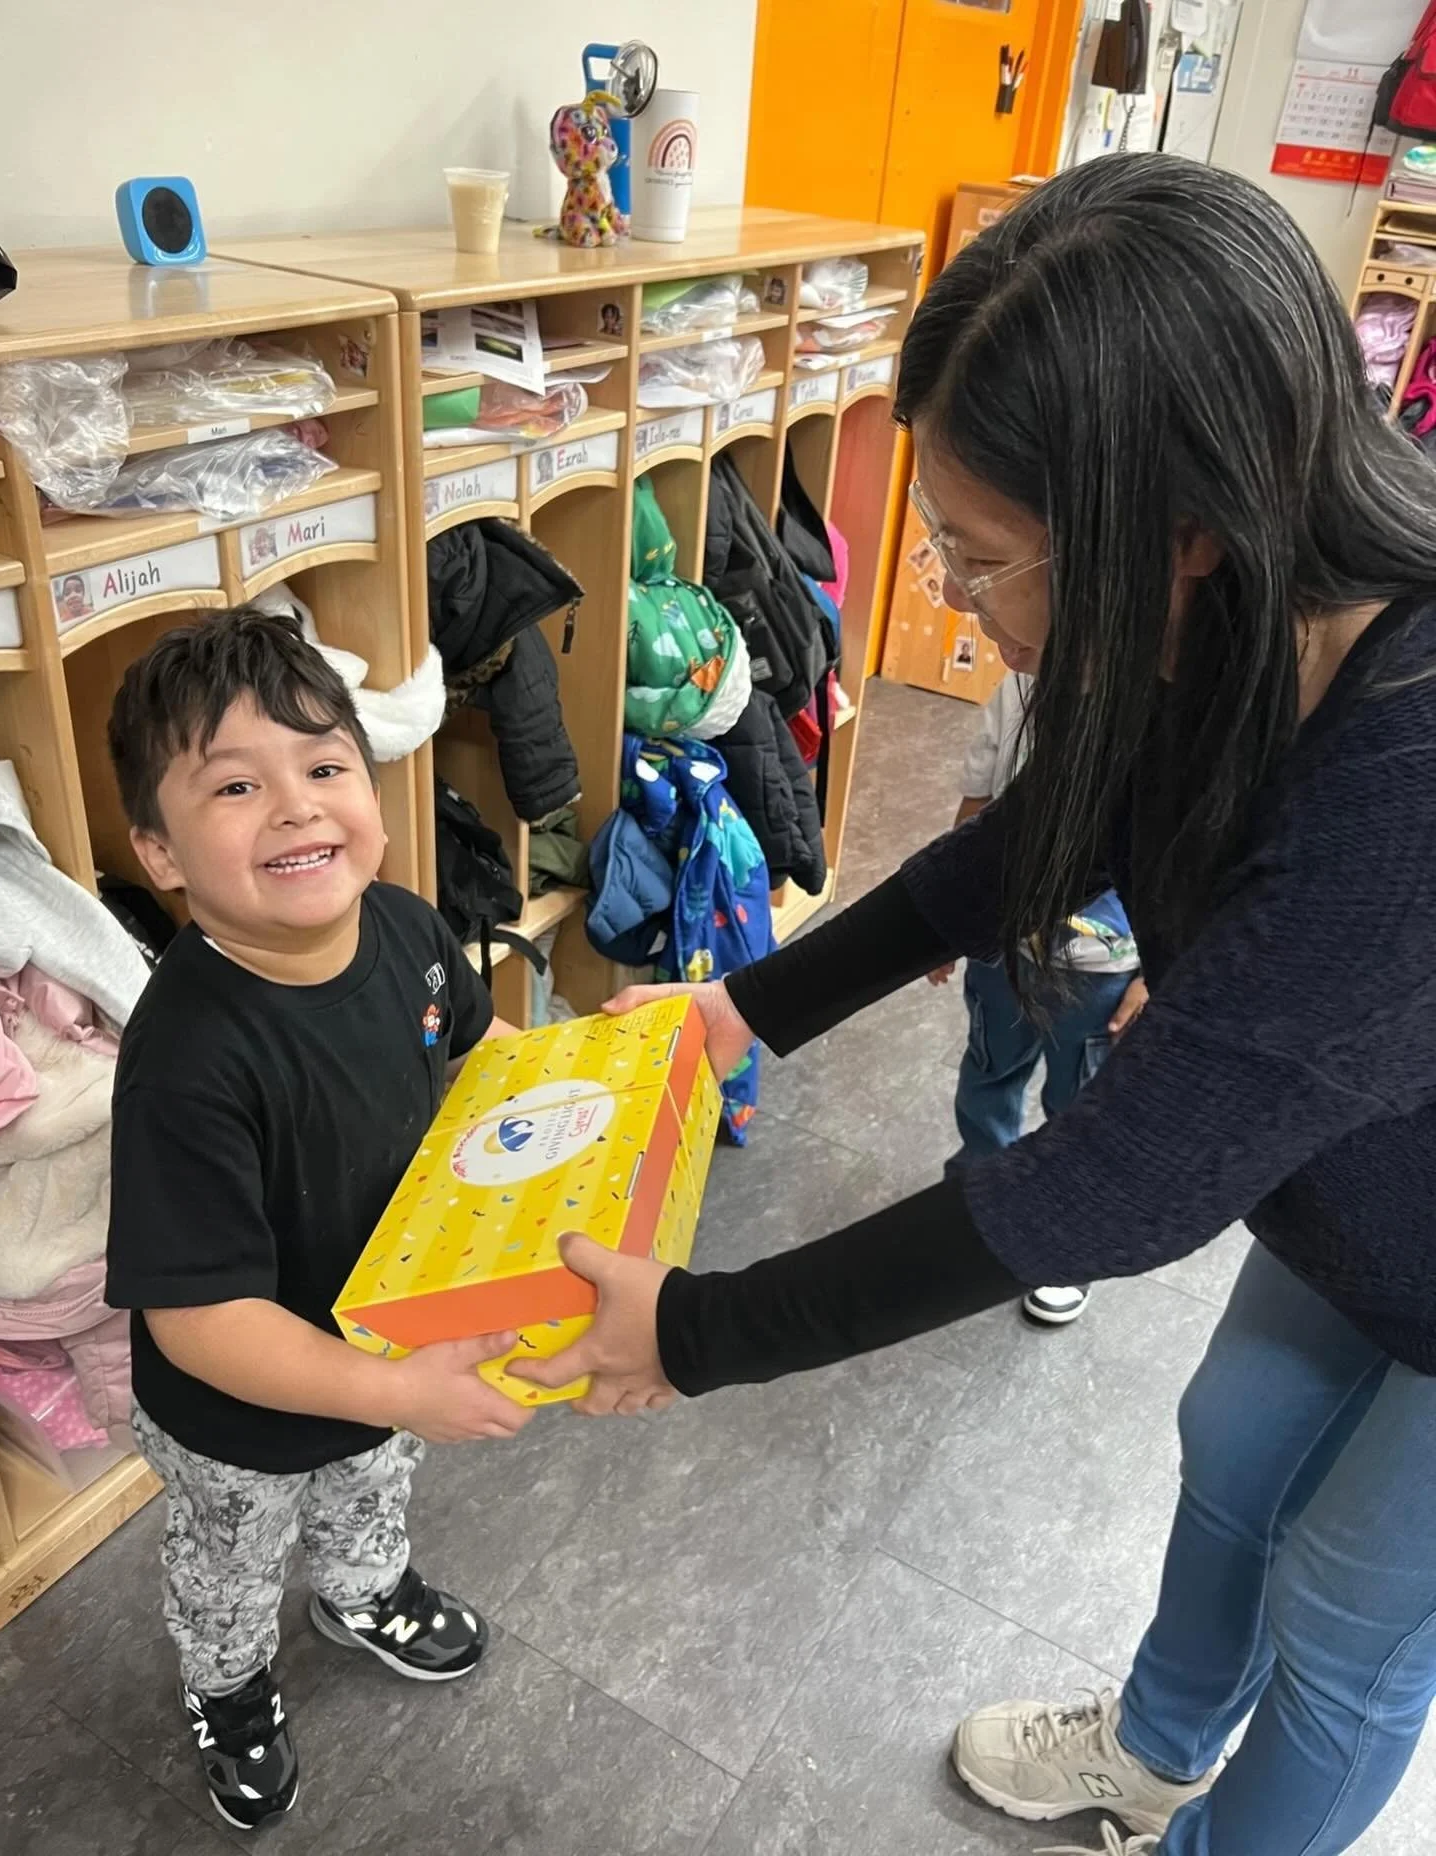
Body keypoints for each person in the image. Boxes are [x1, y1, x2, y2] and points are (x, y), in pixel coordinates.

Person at [509, 154, 1436, 1856]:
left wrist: (695, 1333)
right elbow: (1034, 838)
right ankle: (1155, 1753)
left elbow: (1104, 1190)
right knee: (1232, 1444)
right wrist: (739, 1014)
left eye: (979, 553)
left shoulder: (1412, 753)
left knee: (1351, 1620)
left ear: (1183, 528)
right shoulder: (1226, 627)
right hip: (1370, 1195)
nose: (946, 592)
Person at [104, 609, 531, 1831]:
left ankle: (359, 1593)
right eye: (236, 784)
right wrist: (393, 1387)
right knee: (231, 1564)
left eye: (325, 766)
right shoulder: (188, 1057)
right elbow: (199, 1321)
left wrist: (578, 1094)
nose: (296, 806)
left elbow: (476, 1051)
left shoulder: (402, 925)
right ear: (163, 850)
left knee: (368, 1490)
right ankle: (230, 1685)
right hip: (233, 1411)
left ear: (375, 790)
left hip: (382, 1333)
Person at [935, 668, 1147, 1325]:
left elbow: (1200, 865)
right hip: (1005, 946)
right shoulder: (1021, 683)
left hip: (1103, 968)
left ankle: (1065, 1244)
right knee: (988, 1074)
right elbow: (978, 798)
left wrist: (1155, 977)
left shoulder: (1174, 710)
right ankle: (979, 1193)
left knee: (1079, 1108)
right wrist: (944, 915)